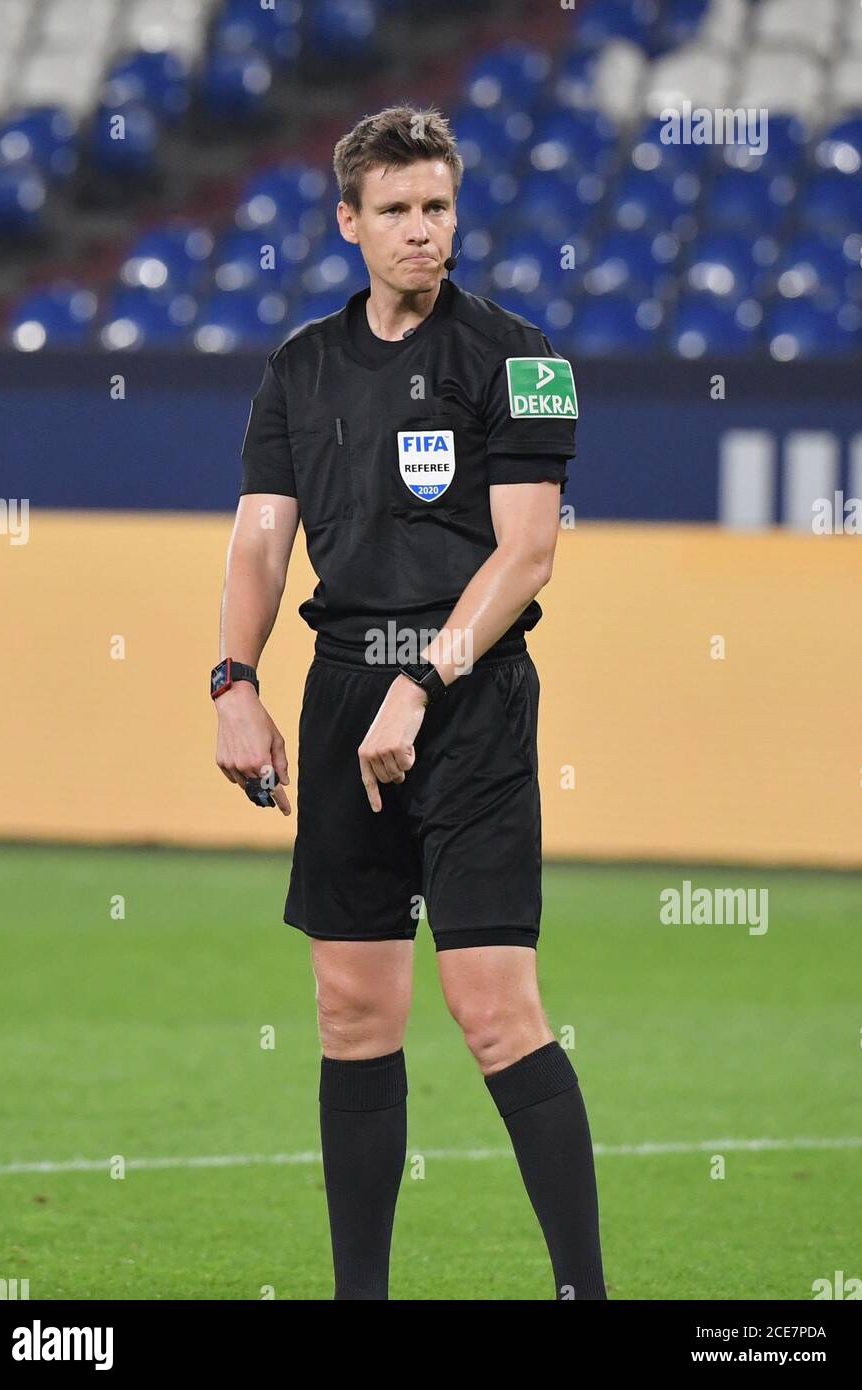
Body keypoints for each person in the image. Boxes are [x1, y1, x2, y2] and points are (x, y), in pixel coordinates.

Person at [214, 103, 606, 1301]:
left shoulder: (521, 360)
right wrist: (234, 681)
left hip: (468, 698)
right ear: (349, 222)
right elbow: (260, 546)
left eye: (436, 206)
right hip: (342, 700)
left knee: (492, 1008)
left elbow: (526, 556)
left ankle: (585, 1294)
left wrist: (423, 681)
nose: (422, 232)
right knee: (350, 1007)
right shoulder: (300, 366)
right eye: (395, 211)